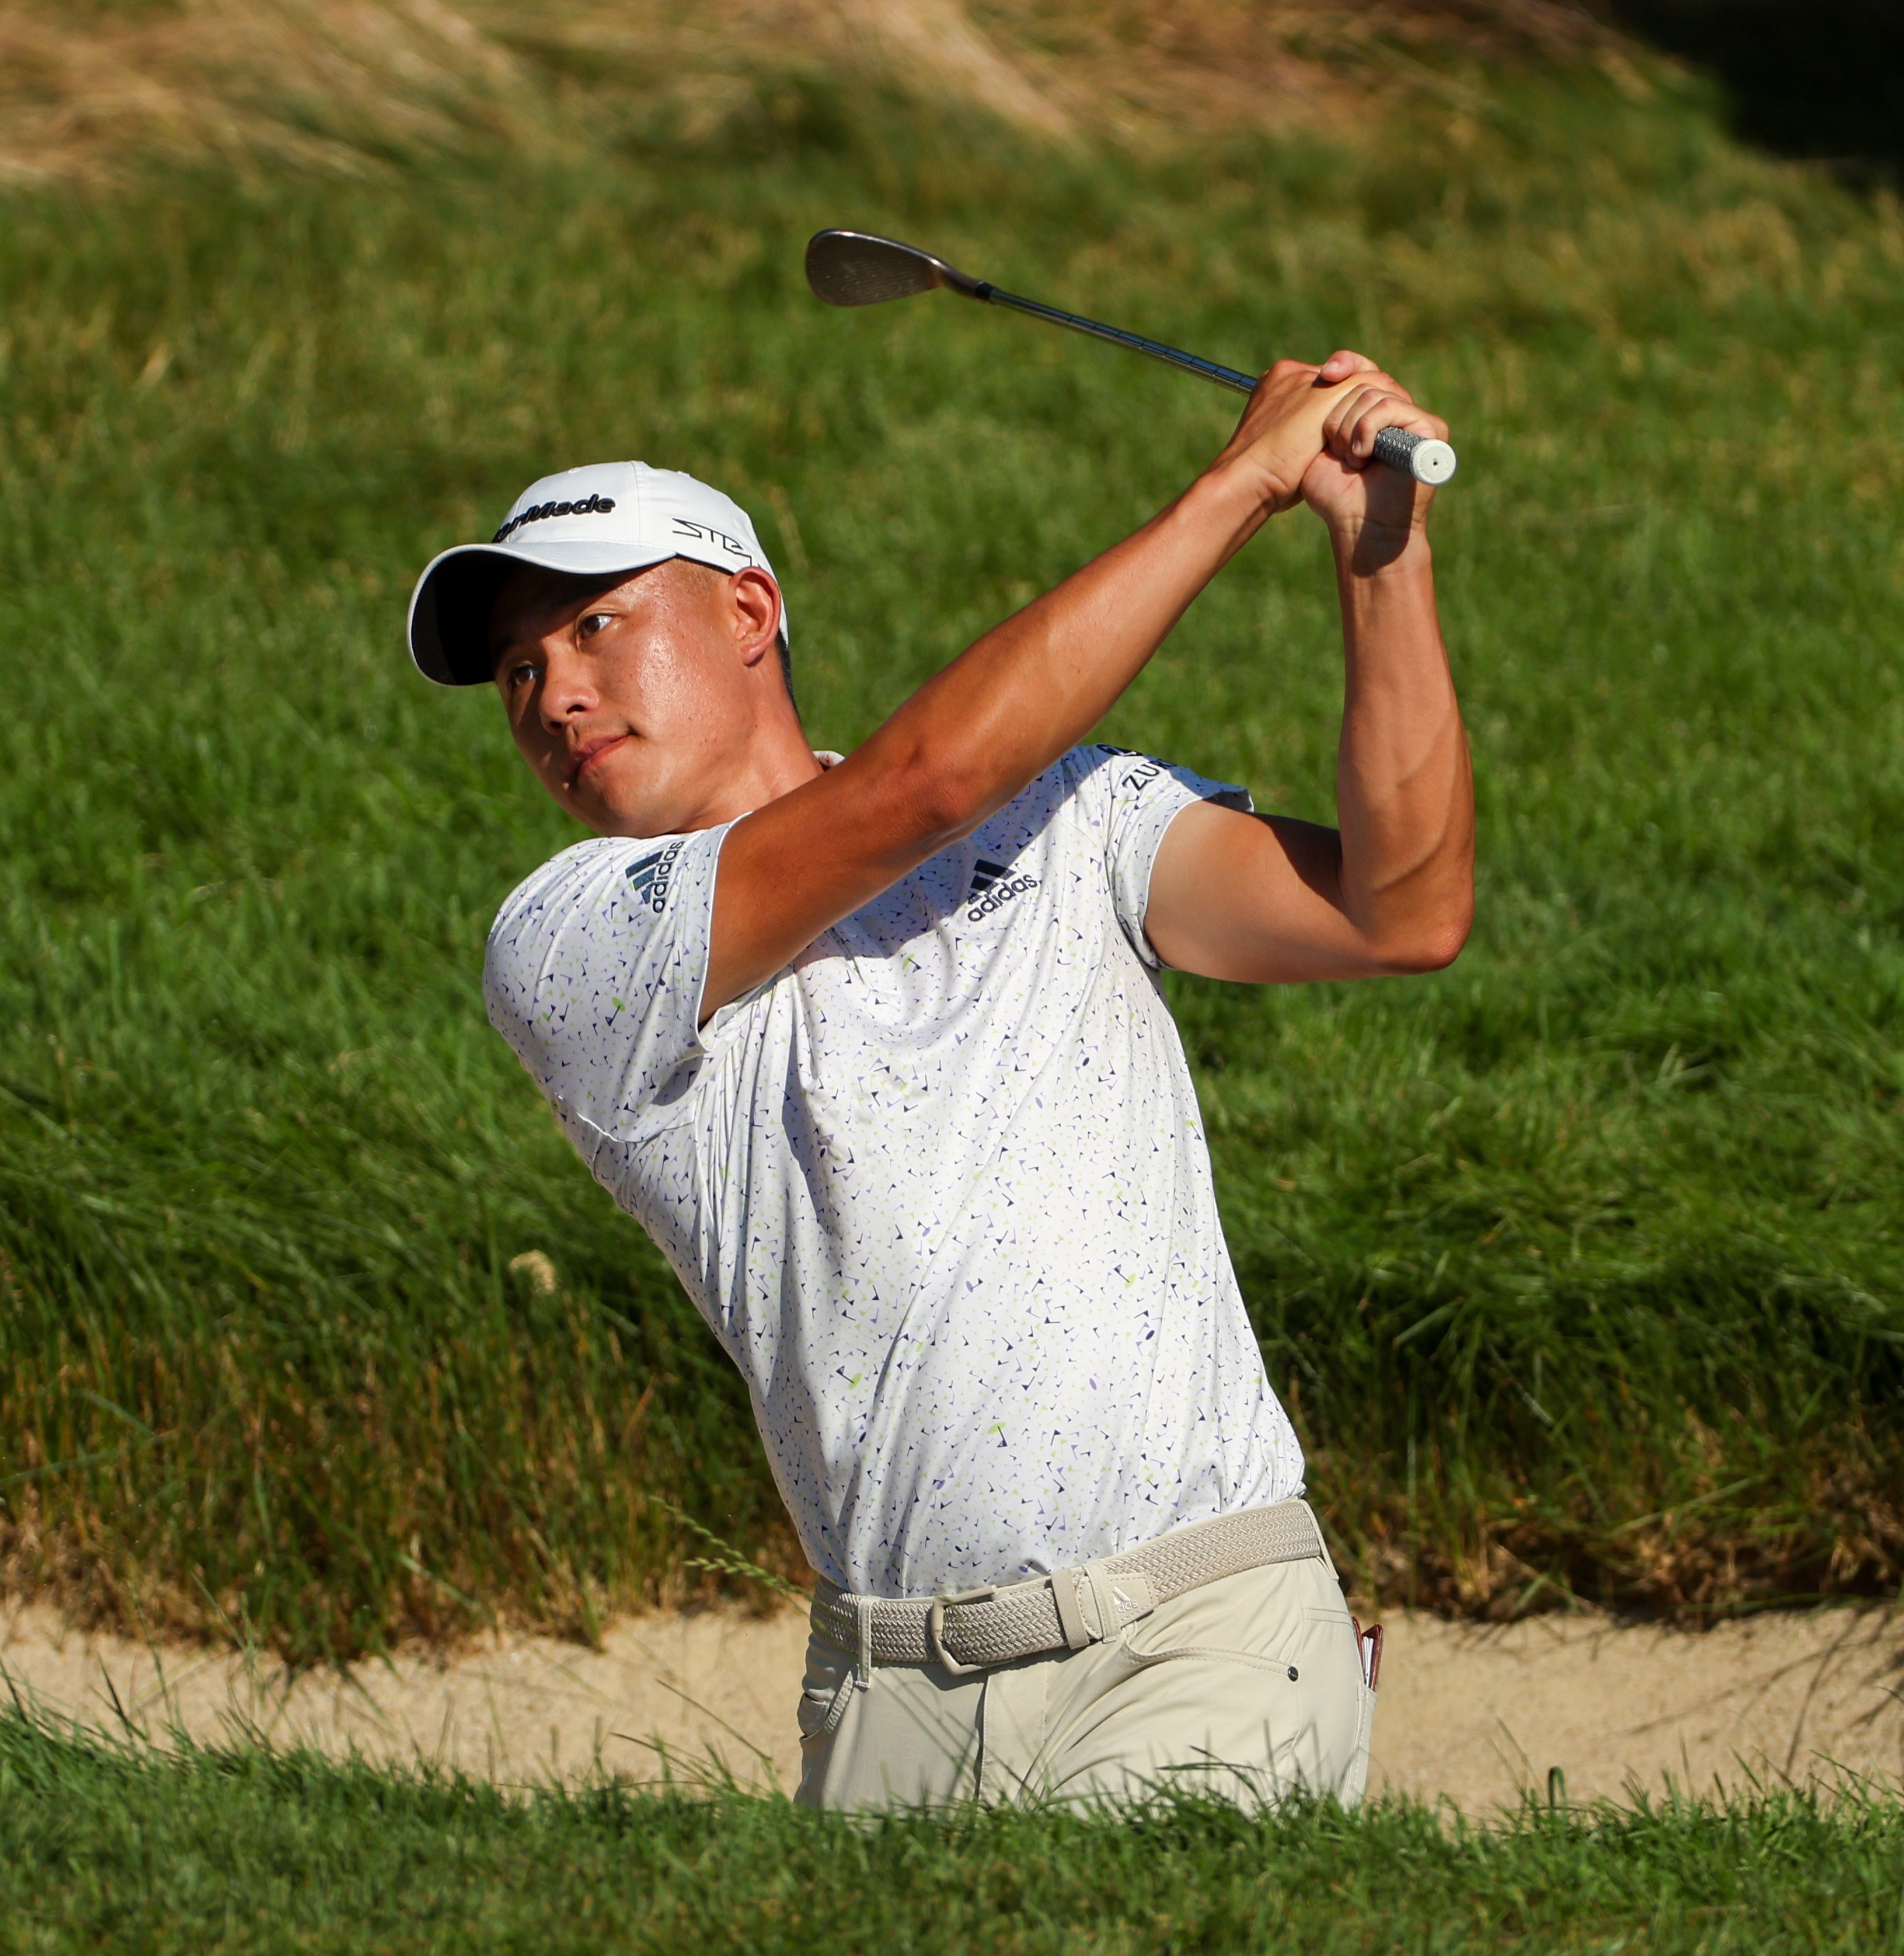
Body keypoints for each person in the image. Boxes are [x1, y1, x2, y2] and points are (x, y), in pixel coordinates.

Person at [405, 352, 1472, 1812]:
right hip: (887, 1696)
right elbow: (922, 788)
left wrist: (1377, 553)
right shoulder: (569, 942)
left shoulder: (1070, 816)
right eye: (518, 671)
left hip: (1204, 1624)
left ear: (748, 611)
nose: (555, 696)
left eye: (597, 625)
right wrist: (1236, 488)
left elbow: (1398, 915)